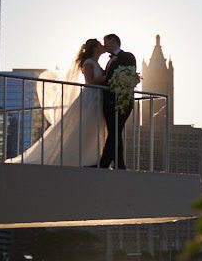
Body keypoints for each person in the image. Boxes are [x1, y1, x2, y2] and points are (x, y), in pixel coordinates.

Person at [7, 38, 105, 167]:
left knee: (91, 129)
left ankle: (90, 158)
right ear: (94, 48)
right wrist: (107, 78)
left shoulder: (96, 63)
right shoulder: (88, 63)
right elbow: (90, 80)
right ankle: (79, 158)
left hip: (97, 99)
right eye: (100, 45)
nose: (102, 46)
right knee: (82, 128)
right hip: (89, 99)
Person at [98, 33, 136, 169]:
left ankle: (104, 164)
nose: (104, 45)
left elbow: (128, 76)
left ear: (113, 40)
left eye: (106, 42)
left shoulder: (128, 56)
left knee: (115, 131)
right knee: (115, 133)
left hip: (122, 102)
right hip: (108, 102)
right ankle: (119, 165)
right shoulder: (109, 61)